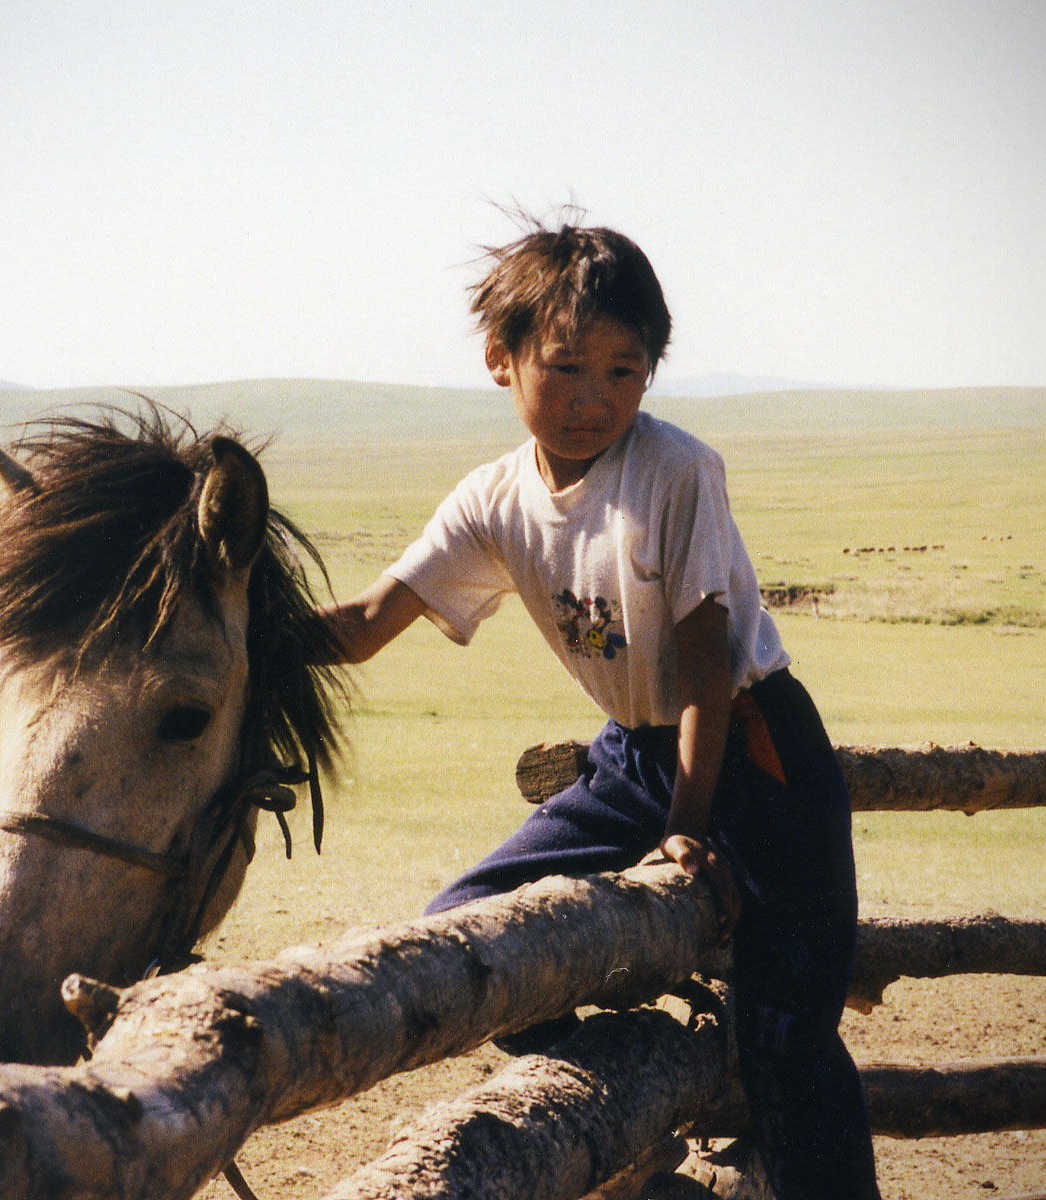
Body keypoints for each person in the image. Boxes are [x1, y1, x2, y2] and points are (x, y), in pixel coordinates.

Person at [316, 218, 881, 1199]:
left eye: (624, 372)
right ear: (501, 360)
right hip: (635, 757)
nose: (594, 399)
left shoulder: (675, 471)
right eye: (566, 367)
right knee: (469, 926)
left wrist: (683, 828)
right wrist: (226, 622)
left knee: (787, 1039)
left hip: (755, 754)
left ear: (652, 374)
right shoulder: (493, 499)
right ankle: (627, 1097)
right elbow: (364, 625)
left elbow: (706, 668)